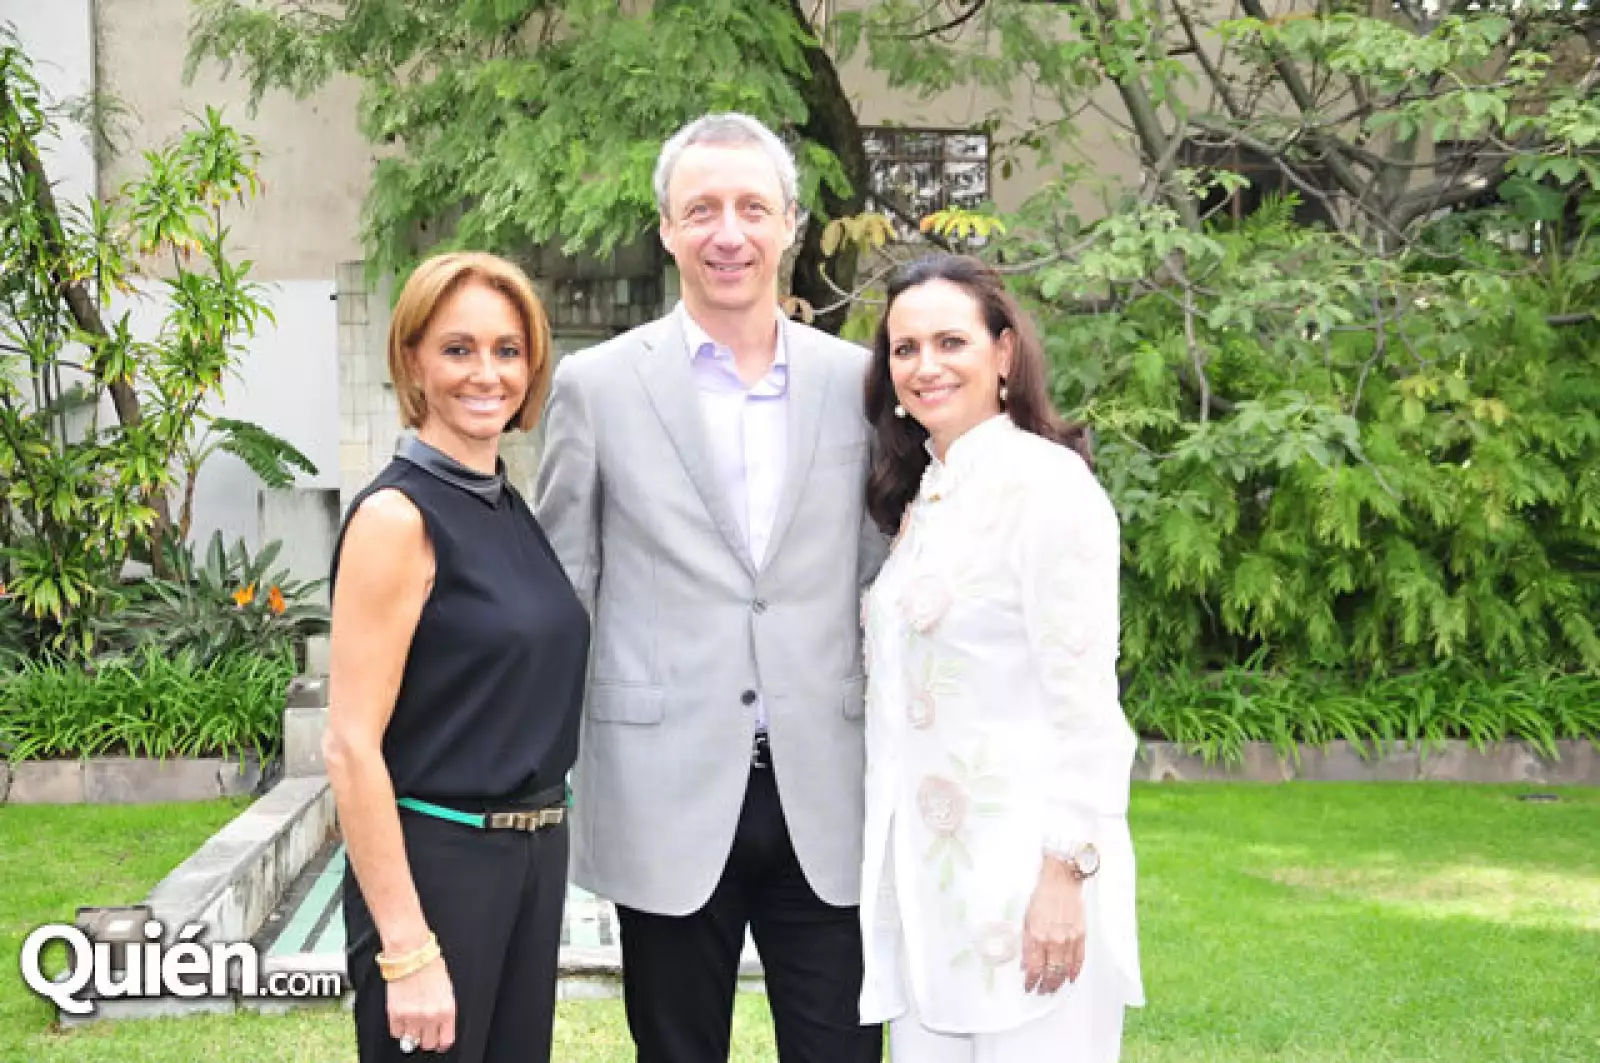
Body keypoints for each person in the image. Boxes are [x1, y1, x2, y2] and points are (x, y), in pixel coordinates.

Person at [534, 112, 886, 1063]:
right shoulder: (598, 385)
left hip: (828, 786)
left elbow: (880, 572)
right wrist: (529, 762)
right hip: (666, 785)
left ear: (789, 225)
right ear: (666, 228)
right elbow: (565, 581)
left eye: (750, 208)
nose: (727, 232)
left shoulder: (862, 384)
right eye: (701, 209)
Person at [856, 254, 1144, 1061]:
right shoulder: (926, 499)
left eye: (952, 341)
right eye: (904, 348)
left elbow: (1085, 703)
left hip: (1028, 894)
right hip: (930, 891)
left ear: (1005, 353)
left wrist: (1065, 874)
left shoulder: (1048, 488)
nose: (925, 366)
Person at [325, 251, 590, 1062]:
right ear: (413, 359)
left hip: (534, 861)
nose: (488, 373)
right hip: (439, 867)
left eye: (508, 350)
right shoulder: (398, 518)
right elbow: (349, 745)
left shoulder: (509, 505)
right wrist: (406, 947)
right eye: (458, 348)